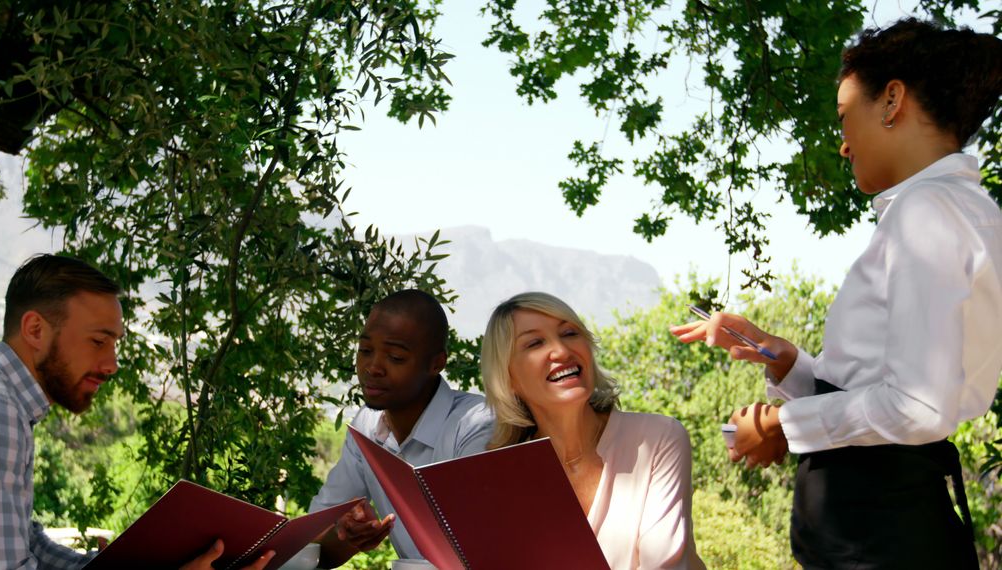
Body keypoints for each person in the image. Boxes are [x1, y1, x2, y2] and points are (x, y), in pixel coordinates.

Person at [671, 18, 1002, 569]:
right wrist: (783, 359)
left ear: (892, 100)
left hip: (882, 534)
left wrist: (780, 426)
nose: (844, 144)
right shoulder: (960, 211)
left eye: (847, 117)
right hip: (878, 525)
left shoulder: (927, 216)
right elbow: (876, 385)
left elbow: (917, 407)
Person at [0, 254, 274, 570]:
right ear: (35, 330)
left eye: (115, 344)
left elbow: (26, 544)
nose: (112, 364)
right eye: (97, 341)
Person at [482, 291, 704, 570]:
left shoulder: (658, 438)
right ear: (508, 378)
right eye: (535, 343)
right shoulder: (501, 478)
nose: (562, 351)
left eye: (570, 333)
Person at [310, 289, 494, 568]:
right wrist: (348, 535)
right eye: (365, 351)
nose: (372, 367)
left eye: (395, 357)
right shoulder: (367, 428)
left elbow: (479, 552)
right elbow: (313, 545)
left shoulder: (476, 424)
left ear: (436, 364)